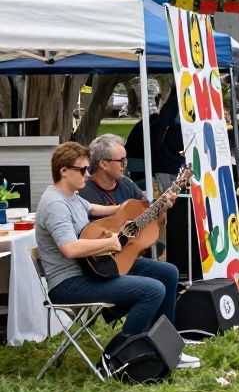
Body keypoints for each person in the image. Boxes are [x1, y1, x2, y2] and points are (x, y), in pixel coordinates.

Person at [34, 142, 199, 368]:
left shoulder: (72, 196)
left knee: (168, 273)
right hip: (70, 282)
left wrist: (145, 207)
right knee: (153, 290)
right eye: (82, 170)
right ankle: (116, 357)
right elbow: (69, 248)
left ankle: (164, 346)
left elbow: (95, 209)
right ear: (64, 171)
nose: (87, 174)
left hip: (94, 269)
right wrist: (108, 243)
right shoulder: (55, 203)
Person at [79, 134, 167, 255]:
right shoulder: (84, 192)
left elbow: (148, 224)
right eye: (121, 161)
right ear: (103, 164)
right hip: (104, 260)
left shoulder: (127, 184)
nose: (125, 165)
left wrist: (161, 210)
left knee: (170, 269)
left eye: (126, 160)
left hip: (131, 255)